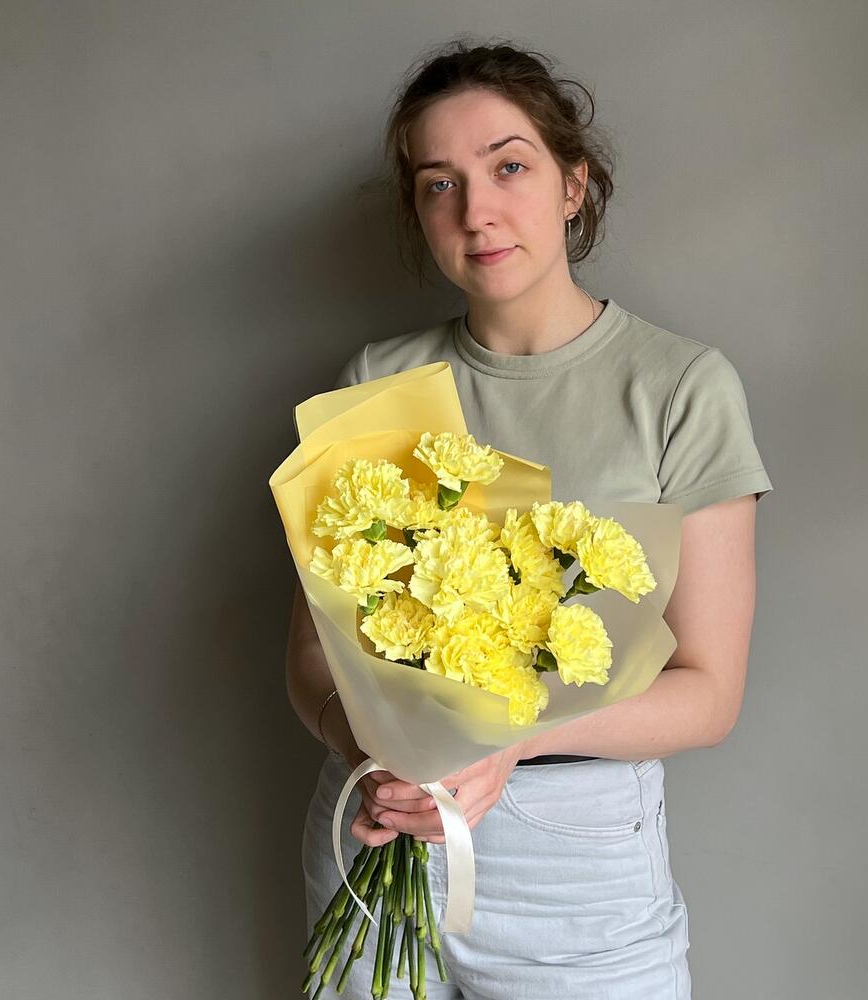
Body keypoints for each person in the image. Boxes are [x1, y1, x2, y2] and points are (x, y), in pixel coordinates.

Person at [285, 37, 773, 999]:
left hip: (573, 864)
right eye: (439, 183)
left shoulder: (680, 388)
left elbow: (710, 694)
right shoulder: (378, 379)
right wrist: (366, 752)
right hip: (377, 837)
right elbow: (312, 652)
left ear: (573, 185)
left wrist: (511, 741)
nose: (476, 210)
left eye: (509, 166)